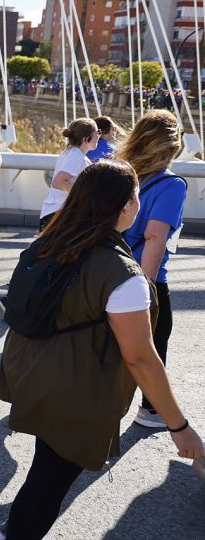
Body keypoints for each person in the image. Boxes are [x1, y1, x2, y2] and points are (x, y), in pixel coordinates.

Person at [0, 160, 204, 540]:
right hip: (75, 392)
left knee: (46, 467)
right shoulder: (121, 274)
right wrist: (180, 427)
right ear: (125, 207)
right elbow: (140, 358)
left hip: (31, 372)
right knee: (50, 483)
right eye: (136, 197)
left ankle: (14, 526)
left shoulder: (51, 242)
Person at [116, 110, 188, 429]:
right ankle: (152, 409)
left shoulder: (122, 174)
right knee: (153, 345)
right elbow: (155, 235)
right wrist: (148, 289)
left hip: (110, 270)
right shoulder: (171, 185)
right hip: (145, 276)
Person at [39, 118, 99, 231]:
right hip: (59, 215)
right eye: (97, 132)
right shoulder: (76, 156)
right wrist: (85, 193)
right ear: (87, 139)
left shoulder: (72, 153)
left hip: (56, 213)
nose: (99, 136)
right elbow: (59, 181)